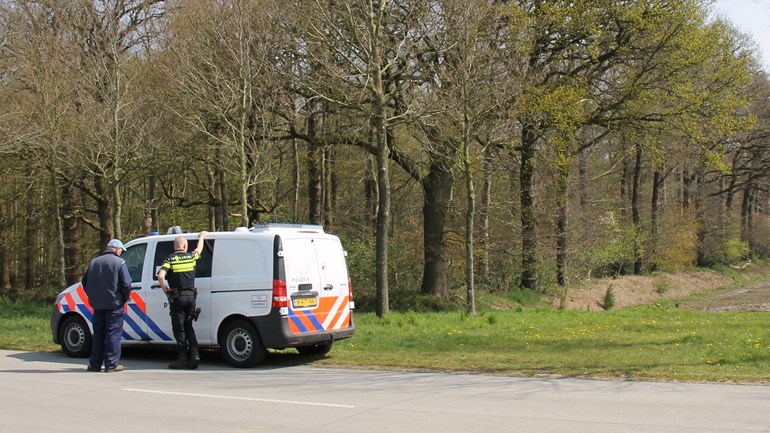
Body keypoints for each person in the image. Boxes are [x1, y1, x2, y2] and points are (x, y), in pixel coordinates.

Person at [157, 231, 208, 369]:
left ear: (175, 247)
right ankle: (195, 355)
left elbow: (161, 276)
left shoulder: (170, 259)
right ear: (185, 246)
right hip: (191, 297)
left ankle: (183, 359)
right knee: (189, 326)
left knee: (179, 329)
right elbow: (199, 249)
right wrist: (202, 237)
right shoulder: (191, 256)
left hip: (177, 297)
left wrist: (165, 289)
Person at [82, 239, 132, 373]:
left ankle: (94, 364)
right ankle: (111, 364)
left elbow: (84, 282)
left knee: (98, 334)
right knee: (113, 334)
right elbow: (126, 283)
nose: (121, 253)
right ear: (116, 249)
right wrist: (124, 298)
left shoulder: (93, 262)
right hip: (114, 304)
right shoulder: (119, 263)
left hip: (97, 304)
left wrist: (93, 296)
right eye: (121, 250)